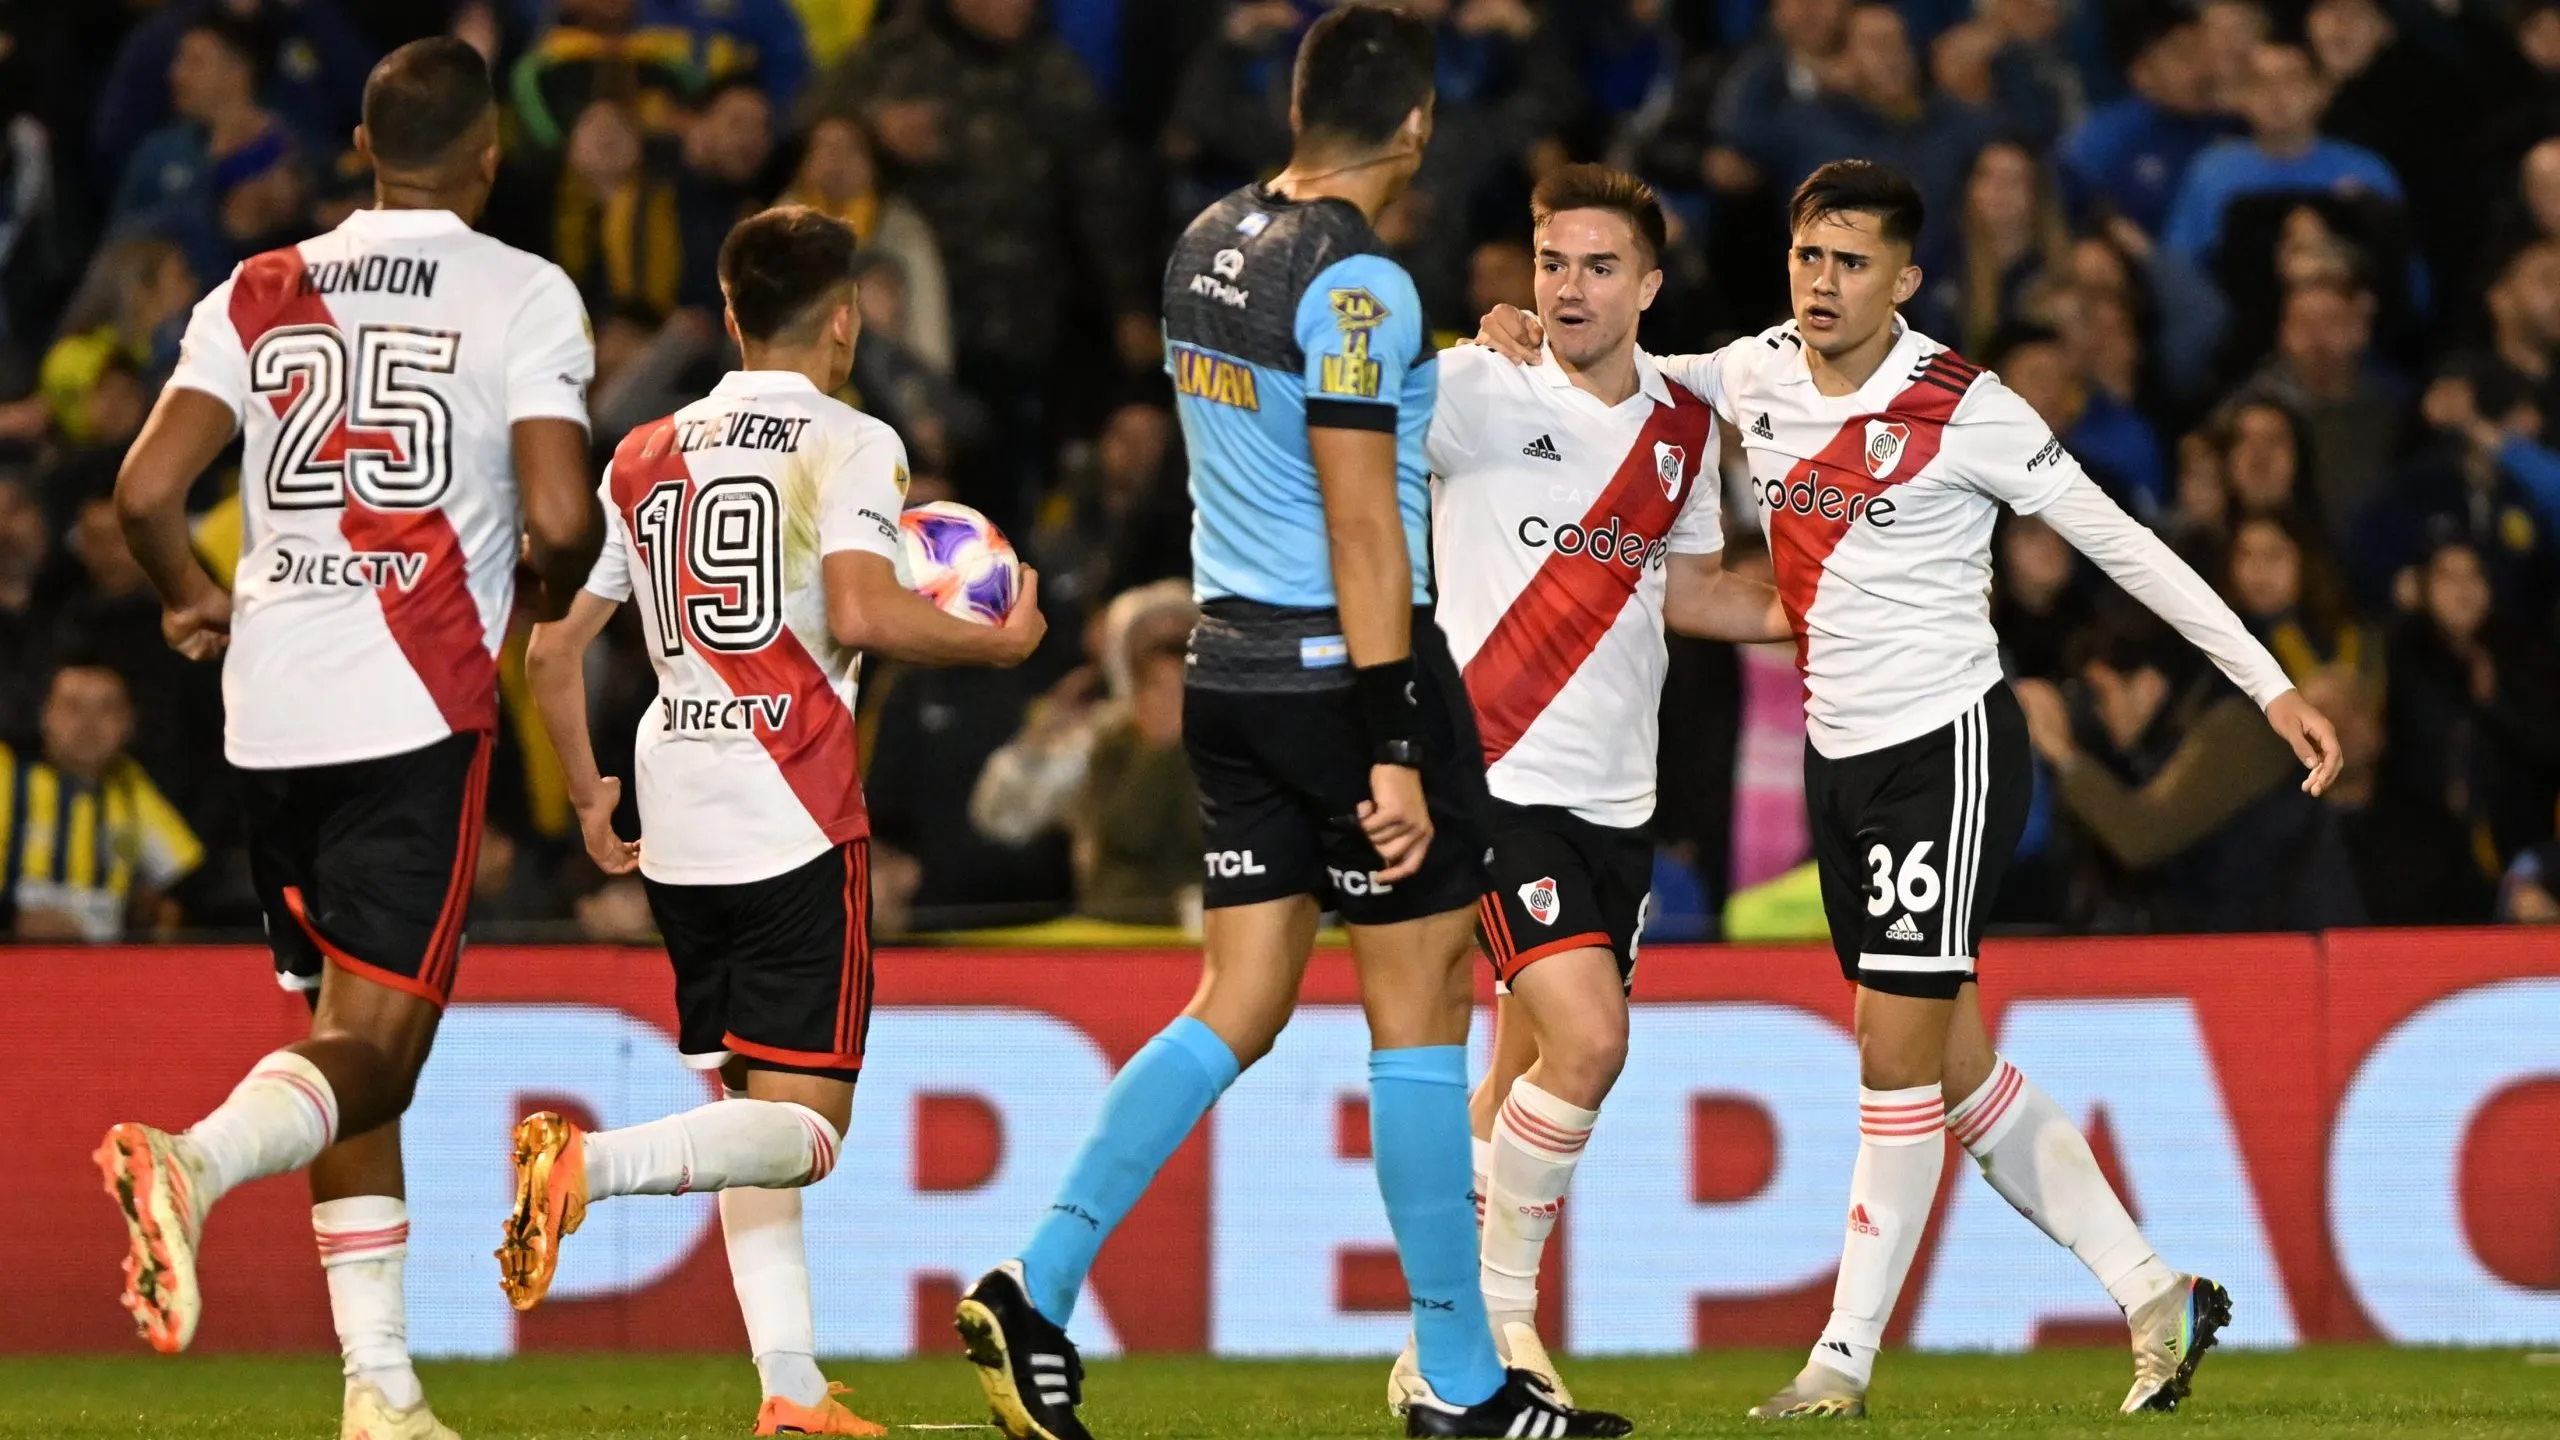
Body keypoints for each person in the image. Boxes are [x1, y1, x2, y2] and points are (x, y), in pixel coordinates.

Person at [1473, 158, 2341, 1420]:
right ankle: (2158, 1294)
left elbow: (2124, 546)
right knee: (1955, 1071)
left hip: (1950, 745)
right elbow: (1613, 362)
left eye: (1851, 264)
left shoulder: (1965, 407)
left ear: (1905, 280)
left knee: (1892, 1053)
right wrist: (1505, 326)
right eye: (1807, 257)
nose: (1822, 284)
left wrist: (2269, 686)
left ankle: (1842, 1361)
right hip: (1842, 757)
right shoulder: (1752, 370)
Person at [953, 11, 1624, 1439]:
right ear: (1419, 127)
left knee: (1239, 1003)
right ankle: (1460, 1381)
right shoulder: (1356, 276)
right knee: (1423, 1005)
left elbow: (1285, 419)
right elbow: (1363, 524)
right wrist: (1393, 737)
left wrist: (1449, 351)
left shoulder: (1208, 237)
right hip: (1343, 679)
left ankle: (1038, 1276)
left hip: (1225, 671)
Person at [96, 40, 600, 1440]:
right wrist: (554, 602)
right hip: (413, 697)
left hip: (271, 706)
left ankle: (377, 1385)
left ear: (363, 148)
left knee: (335, 1040)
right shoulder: (524, 290)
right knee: (380, 1051)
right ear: (489, 156)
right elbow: (559, 521)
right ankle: (189, 1163)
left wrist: (195, 601)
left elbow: (144, 491)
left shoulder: (255, 286)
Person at [503, 204, 1045, 1438]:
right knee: (803, 1128)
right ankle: (590, 1165)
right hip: (789, 806)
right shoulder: (852, 439)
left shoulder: (642, 450)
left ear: (732, 312)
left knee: (751, 1100)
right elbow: (858, 612)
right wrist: (994, 640)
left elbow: (552, 648)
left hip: (674, 811)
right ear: (845, 319)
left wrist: (591, 796)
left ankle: (790, 1389)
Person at [1387, 162, 1788, 1412]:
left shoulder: (1678, 427)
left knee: (1512, 1085)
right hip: (1493, 778)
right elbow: (1339, 423)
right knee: (1594, 1040)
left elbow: (1689, 589)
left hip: (1620, 801)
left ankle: (1430, 1356)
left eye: (1596, 266)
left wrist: (1826, 611)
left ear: (1649, 286)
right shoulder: (1475, 387)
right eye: (1550, 262)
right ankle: (1504, 1334)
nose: (1565, 286)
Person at [1, 661, 202, 941]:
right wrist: (10, 919)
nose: (88, 725)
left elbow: (183, 879)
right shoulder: (7, 773)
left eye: (106, 710)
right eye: (73, 707)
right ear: (44, 714)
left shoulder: (130, 785)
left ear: (130, 722)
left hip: (104, 967)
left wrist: (156, 912)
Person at [2160, 41, 2401, 268]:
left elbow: (2402, 270)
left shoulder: (2366, 170)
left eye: (2291, 80)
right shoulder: (2211, 172)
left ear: (2321, 92)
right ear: (2240, 96)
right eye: (2260, 82)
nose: (2276, 94)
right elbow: (2180, 268)